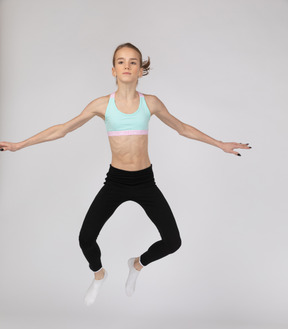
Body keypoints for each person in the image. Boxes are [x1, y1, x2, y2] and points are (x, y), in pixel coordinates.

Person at [0, 42, 251, 306]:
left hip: (145, 181)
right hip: (116, 182)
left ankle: (137, 264)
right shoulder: (101, 105)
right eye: (121, 61)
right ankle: (99, 275)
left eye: (133, 62)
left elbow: (182, 128)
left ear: (141, 70)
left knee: (173, 241)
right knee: (85, 238)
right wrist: (20, 144)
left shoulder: (150, 103)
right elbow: (63, 129)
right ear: (113, 70)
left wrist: (220, 143)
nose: (127, 66)